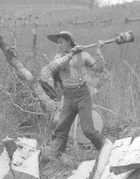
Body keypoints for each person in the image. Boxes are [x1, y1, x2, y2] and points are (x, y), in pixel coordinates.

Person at [42, 30, 105, 160]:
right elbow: (56, 66)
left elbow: (99, 69)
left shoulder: (83, 55)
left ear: (69, 41)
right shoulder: (59, 57)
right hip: (68, 97)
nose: (58, 45)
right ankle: (56, 157)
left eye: (61, 42)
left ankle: (104, 150)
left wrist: (98, 50)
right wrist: (71, 54)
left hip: (83, 95)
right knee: (62, 129)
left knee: (88, 130)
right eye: (57, 43)